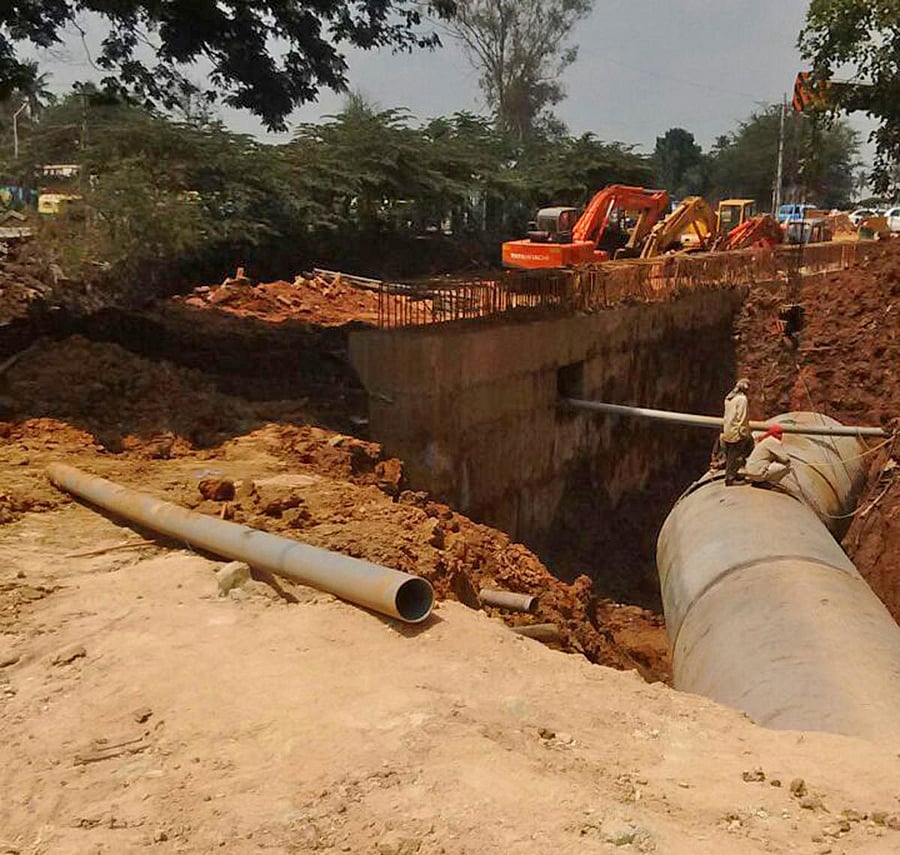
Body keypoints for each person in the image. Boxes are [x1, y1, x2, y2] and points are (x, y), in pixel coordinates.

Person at [720, 377, 753, 486]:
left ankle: (732, 474)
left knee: (731, 455)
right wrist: (744, 432)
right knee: (736, 455)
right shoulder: (742, 399)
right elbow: (742, 417)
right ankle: (730, 479)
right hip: (736, 431)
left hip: (728, 429)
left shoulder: (729, 398)